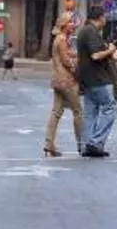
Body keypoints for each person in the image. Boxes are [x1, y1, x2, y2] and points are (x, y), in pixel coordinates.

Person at [76, 6, 117, 158]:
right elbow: (95, 55)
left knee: (90, 113)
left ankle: (87, 144)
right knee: (110, 108)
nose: (105, 20)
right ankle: (95, 142)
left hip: (87, 79)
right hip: (99, 78)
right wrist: (111, 50)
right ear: (100, 17)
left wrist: (116, 57)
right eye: (105, 17)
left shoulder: (83, 31)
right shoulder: (92, 32)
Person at [44, 13, 83, 157]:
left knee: (56, 112)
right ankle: (82, 143)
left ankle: (49, 143)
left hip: (58, 81)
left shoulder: (60, 39)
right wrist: (77, 68)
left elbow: (68, 53)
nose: (74, 25)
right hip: (67, 81)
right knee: (78, 112)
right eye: (71, 22)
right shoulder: (61, 39)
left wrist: (78, 54)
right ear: (64, 25)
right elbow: (66, 60)